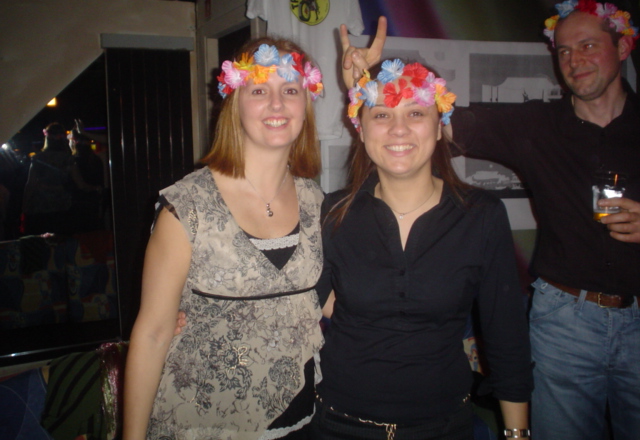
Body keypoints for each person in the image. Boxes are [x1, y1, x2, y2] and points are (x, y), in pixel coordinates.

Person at [342, 0, 640, 440]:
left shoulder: (479, 216)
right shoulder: (536, 124)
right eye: (563, 50)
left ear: (624, 47)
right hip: (565, 320)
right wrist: (368, 89)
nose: (575, 60)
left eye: (588, 45)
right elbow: (425, 126)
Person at [312, 58, 532, 439]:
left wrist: (517, 435)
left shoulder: (480, 215)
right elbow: (301, 305)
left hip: (443, 426)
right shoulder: (334, 212)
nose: (398, 128)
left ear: (440, 125)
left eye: (415, 112)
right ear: (360, 129)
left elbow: (507, 340)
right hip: (339, 423)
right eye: (381, 114)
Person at [123, 37, 326, 440]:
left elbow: (338, 296)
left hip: (301, 421)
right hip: (202, 425)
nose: (277, 104)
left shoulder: (316, 201)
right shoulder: (187, 207)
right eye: (259, 91)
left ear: (305, 104)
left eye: (290, 90)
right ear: (234, 104)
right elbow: (153, 333)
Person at [22, 122, 75, 235]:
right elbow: (77, 182)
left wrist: (25, 205)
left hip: (41, 204)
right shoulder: (68, 158)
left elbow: (30, 183)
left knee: (42, 238)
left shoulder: (38, 158)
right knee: (61, 237)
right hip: (62, 203)